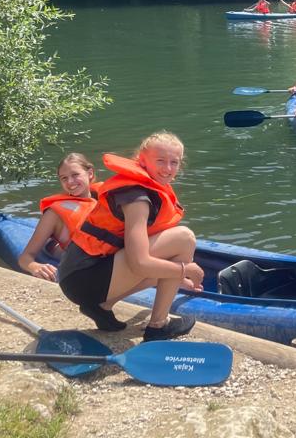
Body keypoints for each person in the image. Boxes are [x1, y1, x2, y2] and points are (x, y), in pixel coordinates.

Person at [57, 131, 204, 339]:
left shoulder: (145, 189)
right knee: (184, 239)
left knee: (168, 259)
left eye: (175, 162)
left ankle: (102, 306)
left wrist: (175, 274)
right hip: (83, 278)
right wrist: (184, 269)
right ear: (141, 161)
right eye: (160, 161)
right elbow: (139, 263)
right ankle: (158, 326)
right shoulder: (137, 199)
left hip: (80, 276)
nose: (168, 168)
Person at [18, 153, 100, 281]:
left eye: (75, 175)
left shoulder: (105, 199)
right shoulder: (54, 213)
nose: (70, 182)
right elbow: (25, 258)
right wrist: (34, 267)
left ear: (90, 173)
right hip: (77, 258)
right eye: (64, 178)